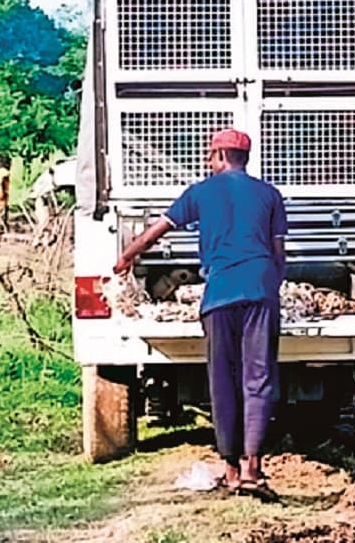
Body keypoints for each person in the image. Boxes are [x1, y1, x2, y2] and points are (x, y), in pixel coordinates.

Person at [113, 129, 288, 496]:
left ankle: (231, 470)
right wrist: (271, 287)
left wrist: (127, 257)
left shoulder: (201, 192)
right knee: (259, 379)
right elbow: (278, 254)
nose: (208, 163)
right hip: (260, 292)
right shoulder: (270, 194)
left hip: (219, 297)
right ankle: (254, 469)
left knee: (223, 382)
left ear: (221, 156)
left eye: (210, 156)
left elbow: (154, 234)